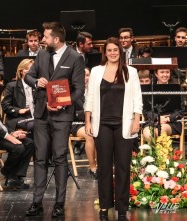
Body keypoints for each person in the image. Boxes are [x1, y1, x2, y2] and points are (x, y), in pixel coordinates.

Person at [24, 21, 85, 218]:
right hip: (42, 114)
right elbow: (28, 76)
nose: (43, 39)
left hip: (62, 115)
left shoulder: (75, 57)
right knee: (40, 158)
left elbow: (78, 89)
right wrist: (36, 81)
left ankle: (60, 202)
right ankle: (37, 202)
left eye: (46, 36)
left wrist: (62, 104)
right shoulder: (41, 54)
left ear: (56, 39)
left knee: (59, 157)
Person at [84, 37, 142, 220]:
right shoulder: (96, 71)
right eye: (109, 50)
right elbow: (90, 98)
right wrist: (87, 121)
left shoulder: (130, 72)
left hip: (124, 124)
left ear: (120, 51)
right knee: (104, 168)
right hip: (102, 125)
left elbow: (137, 98)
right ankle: (104, 208)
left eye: (115, 50)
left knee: (124, 167)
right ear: (105, 52)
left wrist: (136, 120)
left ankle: (122, 210)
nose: (113, 53)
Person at [142, 69, 184, 141]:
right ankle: (155, 152)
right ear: (156, 74)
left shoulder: (176, 88)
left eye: (167, 72)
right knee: (148, 134)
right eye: (162, 72)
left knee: (160, 131)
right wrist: (157, 118)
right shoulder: (149, 88)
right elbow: (145, 110)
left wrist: (168, 119)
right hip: (153, 121)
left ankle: (162, 152)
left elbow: (181, 111)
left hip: (172, 122)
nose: (165, 75)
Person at [71, 67, 97, 179]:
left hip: (94, 122)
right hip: (76, 123)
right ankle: (93, 168)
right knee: (89, 134)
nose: (85, 78)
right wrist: (88, 113)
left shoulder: (96, 90)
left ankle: (103, 166)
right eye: (82, 75)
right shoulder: (73, 91)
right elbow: (71, 113)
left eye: (87, 75)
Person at [1, 59, 35, 133]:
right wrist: (18, 110)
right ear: (21, 71)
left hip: (36, 117)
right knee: (35, 125)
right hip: (19, 118)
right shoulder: (12, 86)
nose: (29, 71)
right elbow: (5, 106)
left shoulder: (37, 86)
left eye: (32, 69)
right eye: (26, 68)